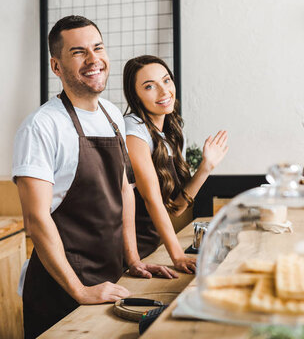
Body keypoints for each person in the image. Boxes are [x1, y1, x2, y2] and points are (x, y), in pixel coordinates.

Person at [13, 17, 177, 338]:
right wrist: (79, 290)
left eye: (97, 48)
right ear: (56, 66)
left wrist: (132, 260)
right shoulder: (41, 127)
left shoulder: (112, 115)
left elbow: (123, 191)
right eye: (78, 52)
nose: (93, 60)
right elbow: (36, 220)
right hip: (61, 291)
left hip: (110, 280)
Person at [122, 55, 229, 273]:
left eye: (166, 80)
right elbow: (151, 200)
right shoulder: (133, 129)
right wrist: (178, 256)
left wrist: (206, 167)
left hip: (152, 248)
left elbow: (176, 208)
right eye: (150, 86)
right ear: (135, 96)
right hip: (127, 253)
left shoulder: (171, 131)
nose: (164, 92)